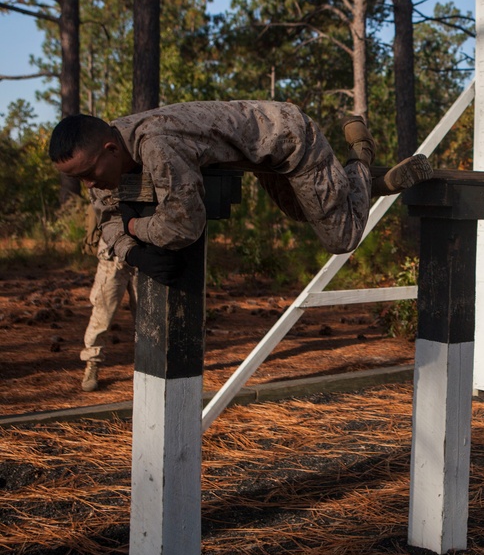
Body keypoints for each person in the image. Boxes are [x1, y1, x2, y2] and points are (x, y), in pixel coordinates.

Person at [48, 101, 432, 284]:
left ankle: (360, 158)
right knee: (304, 211)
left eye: (87, 174)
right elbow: (107, 215)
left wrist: (135, 229)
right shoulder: (106, 145)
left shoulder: (156, 144)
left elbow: (184, 224)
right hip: (255, 154)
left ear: (111, 151)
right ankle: (371, 186)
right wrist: (133, 254)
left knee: (341, 236)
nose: (88, 186)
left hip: (288, 139)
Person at [79, 191, 136, 391]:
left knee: (148, 317)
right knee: (103, 312)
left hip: (144, 250)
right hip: (112, 252)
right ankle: (92, 363)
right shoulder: (106, 167)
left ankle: (149, 366)